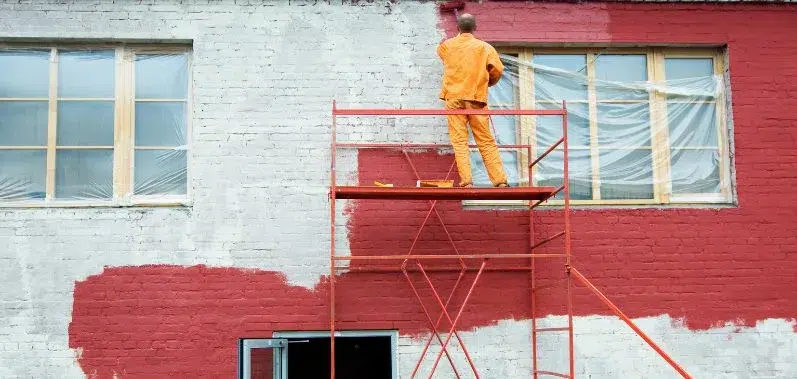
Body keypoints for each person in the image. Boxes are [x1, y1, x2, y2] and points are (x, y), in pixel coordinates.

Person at [437, 13, 508, 188]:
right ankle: (499, 181)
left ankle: (467, 181)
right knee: (485, 140)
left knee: (460, 141)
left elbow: (442, 53)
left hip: (454, 98)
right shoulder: (485, 48)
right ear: (475, 28)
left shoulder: (447, 46)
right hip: (476, 97)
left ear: (457, 28)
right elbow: (497, 70)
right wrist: (486, 83)